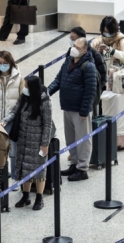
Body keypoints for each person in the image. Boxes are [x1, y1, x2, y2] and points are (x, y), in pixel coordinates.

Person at [48, 37, 97, 181]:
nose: (73, 48)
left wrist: (84, 110)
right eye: (73, 45)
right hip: (67, 107)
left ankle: (82, 168)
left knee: (82, 140)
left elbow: (90, 91)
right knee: (71, 139)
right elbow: (59, 79)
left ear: (84, 51)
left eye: (78, 47)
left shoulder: (88, 66)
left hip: (80, 110)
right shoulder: (68, 61)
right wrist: (47, 92)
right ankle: (74, 163)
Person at [0, 75, 52, 210]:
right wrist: (5, 120)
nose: (25, 88)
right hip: (23, 140)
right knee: (24, 169)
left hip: (38, 141)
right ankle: (26, 196)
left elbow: (47, 124)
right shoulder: (24, 98)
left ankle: (39, 198)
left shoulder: (44, 101)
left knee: (39, 171)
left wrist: (44, 143)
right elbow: (14, 111)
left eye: (27, 86)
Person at [0, 51, 24, 181]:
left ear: (10, 63)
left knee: (13, 150)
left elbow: (22, 99)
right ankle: (1, 176)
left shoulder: (18, 78)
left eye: (5, 63)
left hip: (12, 120)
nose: (2, 65)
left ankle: (14, 176)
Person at [70, 27, 108, 91]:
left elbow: (102, 77)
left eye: (73, 39)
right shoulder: (70, 54)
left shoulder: (95, 55)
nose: (72, 42)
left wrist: (95, 93)